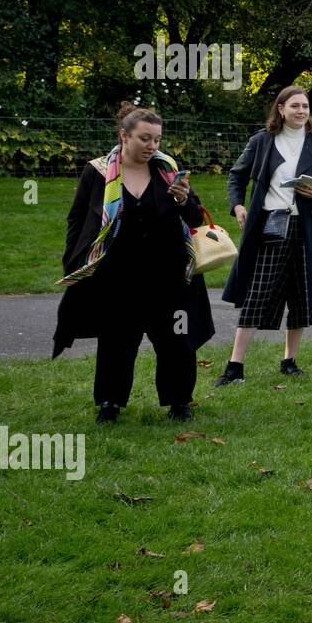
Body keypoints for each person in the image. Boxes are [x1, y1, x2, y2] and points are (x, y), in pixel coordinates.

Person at [54, 103, 215, 424]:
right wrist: (74, 260)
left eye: (156, 139)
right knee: (116, 340)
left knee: (176, 340)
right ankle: (110, 403)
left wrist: (184, 199)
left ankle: (179, 402)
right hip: (117, 275)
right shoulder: (97, 172)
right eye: (145, 139)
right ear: (124, 136)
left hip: (169, 273)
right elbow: (77, 219)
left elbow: (196, 218)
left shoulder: (167, 168)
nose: (152, 146)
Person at [215, 85, 312, 386]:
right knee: (256, 293)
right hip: (271, 225)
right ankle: (235, 367)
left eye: (306, 106)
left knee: (302, 296)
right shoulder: (262, 141)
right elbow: (237, 175)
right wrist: (237, 206)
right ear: (281, 109)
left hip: (309, 230)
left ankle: (289, 361)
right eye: (295, 106)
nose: (301, 111)